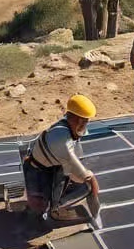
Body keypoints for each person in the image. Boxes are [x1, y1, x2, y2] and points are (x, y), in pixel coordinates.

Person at [22, 94, 101, 225]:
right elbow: (83, 175)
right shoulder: (61, 141)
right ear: (76, 119)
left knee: (74, 177)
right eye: (84, 121)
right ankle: (54, 209)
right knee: (87, 186)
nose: (86, 124)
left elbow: (76, 158)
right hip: (38, 177)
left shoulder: (65, 128)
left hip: (44, 169)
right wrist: (92, 185)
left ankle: (46, 204)